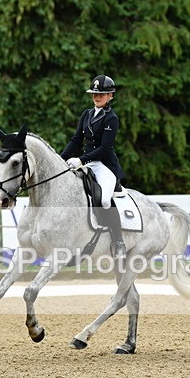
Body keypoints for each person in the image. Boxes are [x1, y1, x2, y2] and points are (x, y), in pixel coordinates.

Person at [61, 74, 127, 259]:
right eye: (94, 94)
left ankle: (118, 241)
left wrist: (81, 160)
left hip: (103, 165)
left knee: (105, 200)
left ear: (110, 96)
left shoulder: (111, 118)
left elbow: (105, 149)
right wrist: (60, 159)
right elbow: (76, 140)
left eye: (102, 94)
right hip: (85, 163)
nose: (97, 97)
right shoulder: (86, 114)